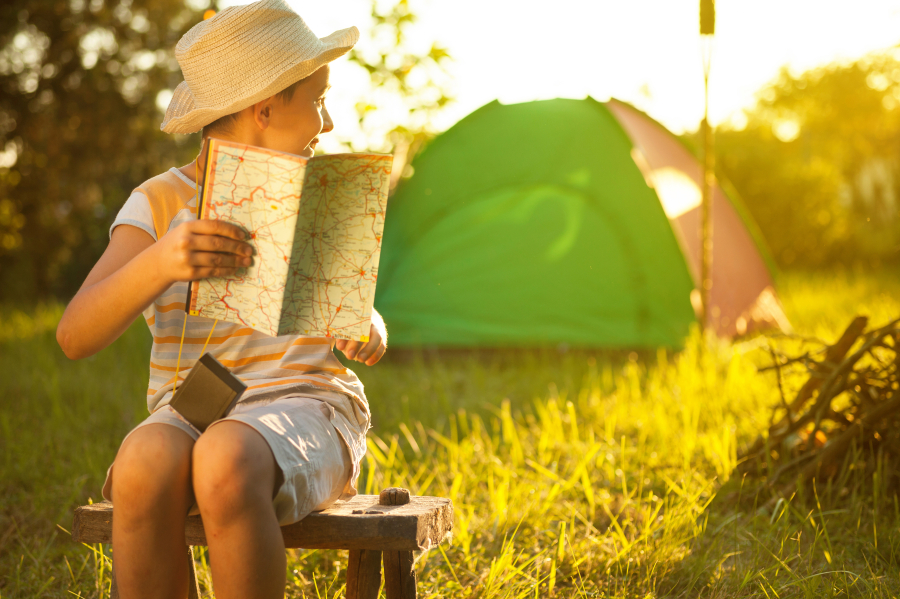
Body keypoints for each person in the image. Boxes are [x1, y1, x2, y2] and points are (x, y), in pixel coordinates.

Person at [54, 2, 383, 597]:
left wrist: (366, 321)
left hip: (307, 401)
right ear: (264, 109)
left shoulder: (321, 197)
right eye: (316, 98)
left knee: (226, 457)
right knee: (142, 460)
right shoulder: (158, 203)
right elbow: (76, 336)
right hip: (198, 403)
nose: (327, 121)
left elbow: (349, 302)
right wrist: (162, 261)